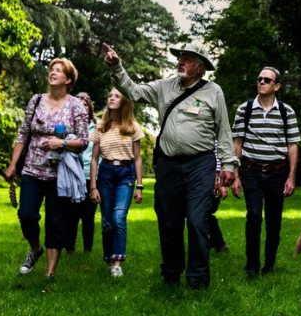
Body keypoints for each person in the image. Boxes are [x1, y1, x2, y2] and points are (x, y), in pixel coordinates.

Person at [102, 41, 238, 290]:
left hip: (200, 165)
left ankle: (197, 279)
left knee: (198, 220)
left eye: (187, 59)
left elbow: (224, 131)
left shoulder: (213, 91)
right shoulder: (164, 87)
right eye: (181, 58)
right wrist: (118, 67)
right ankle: (171, 274)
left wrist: (228, 164)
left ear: (200, 68)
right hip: (168, 165)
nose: (181, 62)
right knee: (169, 221)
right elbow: (132, 91)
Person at [3, 58, 92, 280]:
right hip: (32, 169)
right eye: (52, 69)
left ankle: (50, 272)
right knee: (26, 215)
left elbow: (84, 141)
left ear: (68, 79)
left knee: (56, 221)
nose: (53, 72)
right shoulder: (35, 101)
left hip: (60, 173)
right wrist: (13, 164)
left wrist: (60, 143)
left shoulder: (76, 106)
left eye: (59, 70)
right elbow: (23, 133)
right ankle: (35, 249)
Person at [231, 66, 300, 277]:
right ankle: (251, 266)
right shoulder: (245, 109)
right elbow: (237, 142)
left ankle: (269, 265)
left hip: (277, 172)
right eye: (259, 78)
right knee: (253, 215)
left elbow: (292, 145)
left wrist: (291, 176)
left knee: (274, 220)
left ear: (276, 86)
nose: (261, 82)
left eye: (267, 80)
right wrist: (235, 175)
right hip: (251, 170)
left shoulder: (287, 112)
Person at [88, 88, 145, 277]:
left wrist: (139, 185)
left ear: (125, 102)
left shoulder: (132, 127)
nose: (111, 98)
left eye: (117, 96)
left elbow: (137, 158)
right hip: (105, 173)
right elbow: (94, 159)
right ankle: (108, 257)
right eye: (110, 95)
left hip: (125, 174)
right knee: (107, 221)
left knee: (119, 217)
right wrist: (93, 187)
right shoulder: (101, 127)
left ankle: (117, 262)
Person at [66, 92, 98, 256]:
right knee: (71, 214)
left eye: (85, 105)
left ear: (89, 108)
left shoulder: (97, 126)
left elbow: (100, 153)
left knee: (88, 216)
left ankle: (87, 250)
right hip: (72, 175)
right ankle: (69, 249)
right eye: (78, 104)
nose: (82, 107)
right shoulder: (67, 125)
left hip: (90, 175)